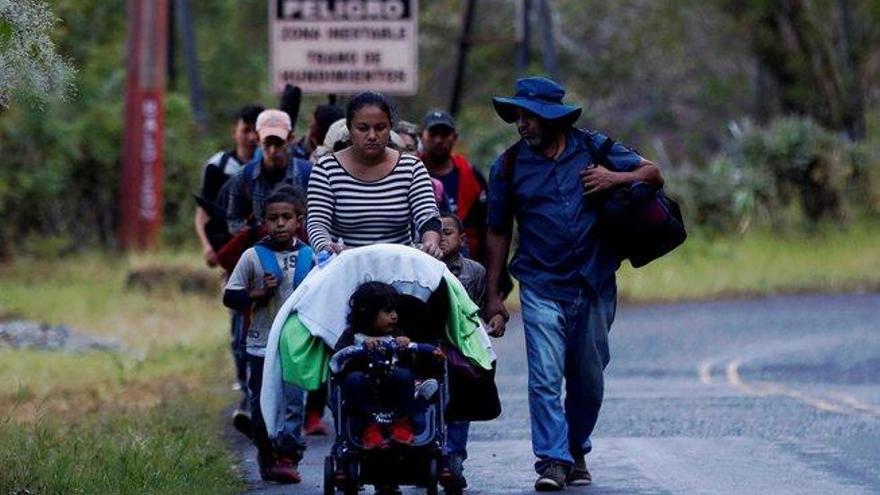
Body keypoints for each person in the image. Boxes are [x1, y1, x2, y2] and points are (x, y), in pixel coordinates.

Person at [484, 76, 664, 492]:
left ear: (552, 118)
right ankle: (552, 460)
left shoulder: (594, 148)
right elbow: (497, 230)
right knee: (545, 376)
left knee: (588, 378)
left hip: (595, 279)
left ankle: (575, 447)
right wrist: (493, 294)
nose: (521, 124)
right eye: (518, 117)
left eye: (529, 117)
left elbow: (652, 173)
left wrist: (613, 179)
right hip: (540, 282)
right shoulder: (508, 166)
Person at [223, 185, 315, 484]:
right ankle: (266, 454)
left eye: (286, 217)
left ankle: (288, 455)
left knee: (293, 402)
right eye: (273, 218)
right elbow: (230, 296)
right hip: (261, 344)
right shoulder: (253, 256)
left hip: (297, 345)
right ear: (264, 221)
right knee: (263, 401)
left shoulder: (310, 257)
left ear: (298, 221)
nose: (279, 224)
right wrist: (256, 293)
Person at [192, 103, 263, 436]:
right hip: (233, 257)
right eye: (244, 129)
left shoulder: (272, 164)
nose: (249, 136)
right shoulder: (219, 166)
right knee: (239, 318)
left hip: (268, 255)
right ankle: (247, 389)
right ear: (235, 130)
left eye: (255, 130)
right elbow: (204, 212)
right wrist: (209, 246)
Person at [306, 91, 442, 258]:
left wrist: (431, 243)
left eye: (380, 128)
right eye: (363, 128)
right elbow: (317, 223)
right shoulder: (326, 169)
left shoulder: (412, 167)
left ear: (390, 127)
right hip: (343, 265)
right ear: (349, 129)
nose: (372, 136)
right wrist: (327, 246)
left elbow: (428, 216)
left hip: (401, 265)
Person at [331, 282, 419, 449]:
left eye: (395, 311)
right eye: (387, 311)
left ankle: (402, 423)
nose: (394, 316)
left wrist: (406, 346)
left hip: (391, 386)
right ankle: (368, 428)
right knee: (353, 379)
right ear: (368, 313)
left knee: (405, 375)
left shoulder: (396, 334)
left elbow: (411, 363)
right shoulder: (352, 335)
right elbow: (337, 360)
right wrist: (359, 349)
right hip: (364, 387)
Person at [224, 109, 312, 236]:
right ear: (257, 139)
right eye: (268, 143)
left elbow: (319, 219)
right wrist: (252, 233)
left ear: (290, 139)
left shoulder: (308, 174)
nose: (272, 150)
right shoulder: (244, 176)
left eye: (278, 143)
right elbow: (233, 220)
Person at [420, 110, 488, 261]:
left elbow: (486, 226)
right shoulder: (409, 172)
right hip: (421, 258)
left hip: (467, 263)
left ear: (455, 137)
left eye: (444, 134)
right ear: (421, 136)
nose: (439, 140)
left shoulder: (471, 175)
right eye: (433, 134)